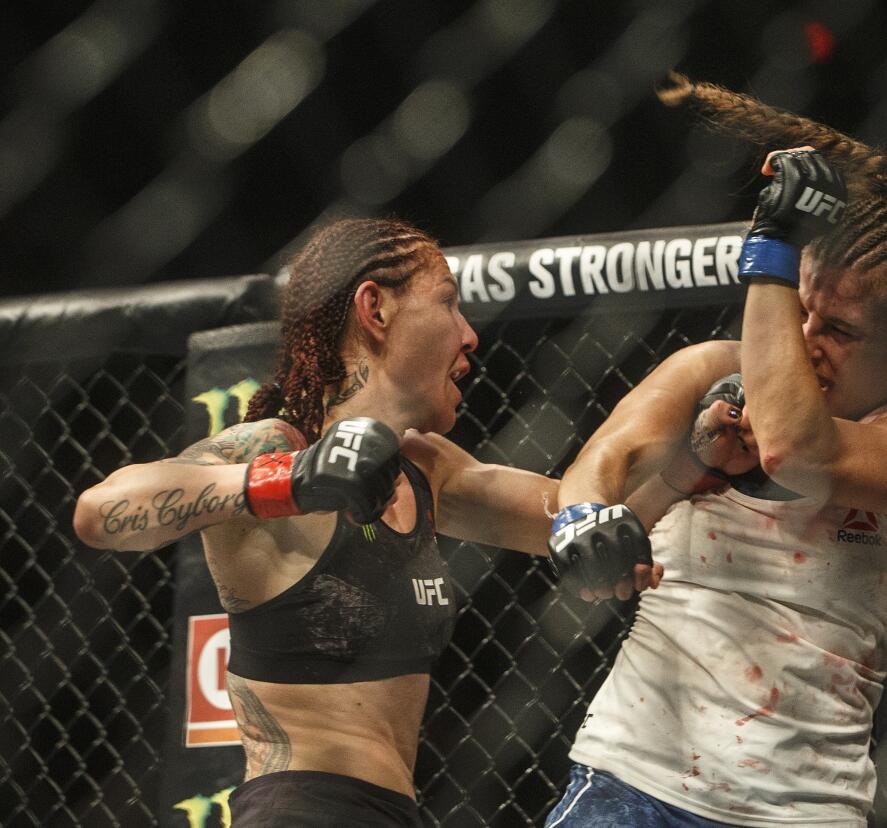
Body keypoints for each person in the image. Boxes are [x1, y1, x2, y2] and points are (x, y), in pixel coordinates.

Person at [72, 217, 662, 827]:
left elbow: (572, 514)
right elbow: (100, 512)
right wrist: (290, 481)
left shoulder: (426, 470)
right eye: (449, 303)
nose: (469, 336)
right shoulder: (273, 445)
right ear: (375, 309)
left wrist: (693, 448)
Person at [543, 75, 887, 827]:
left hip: (802, 811)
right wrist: (590, 517)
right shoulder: (708, 368)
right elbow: (609, 461)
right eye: (802, 309)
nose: (809, 343)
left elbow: (797, 454)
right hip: (632, 782)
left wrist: (772, 247)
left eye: (841, 331)